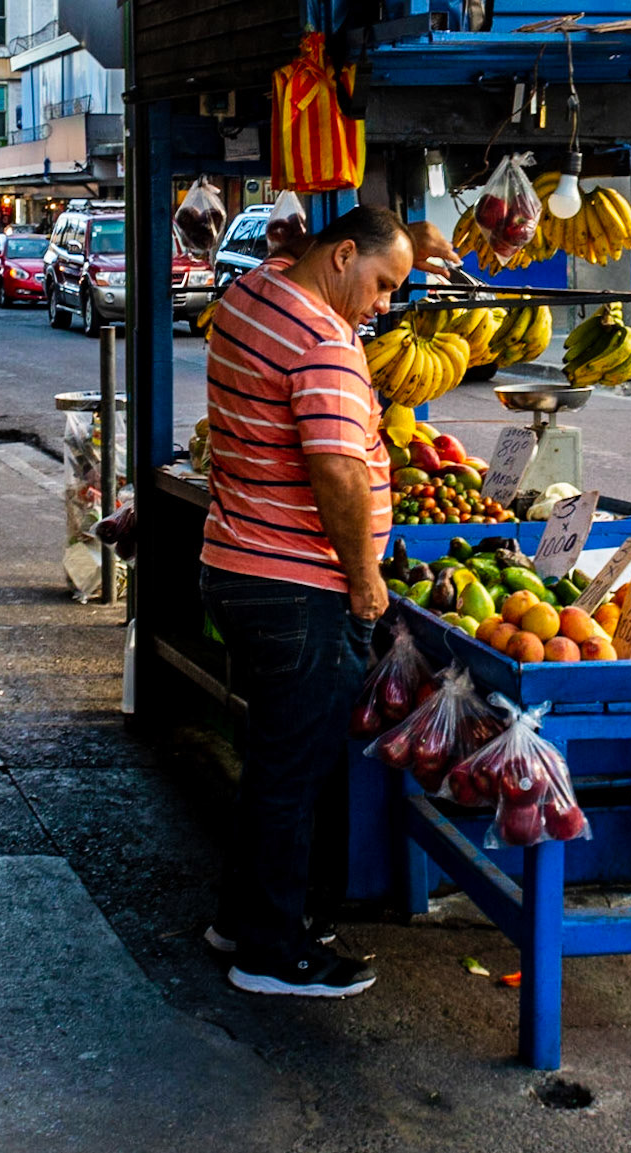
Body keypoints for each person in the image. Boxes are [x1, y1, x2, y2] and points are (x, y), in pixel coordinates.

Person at [199, 206, 450, 1001]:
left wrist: (410, 235)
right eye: (381, 284)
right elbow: (337, 470)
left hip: (239, 563)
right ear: (342, 256)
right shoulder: (323, 344)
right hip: (297, 585)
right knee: (295, 770)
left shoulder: (254, 291)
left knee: (274, 758)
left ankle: (244, 918)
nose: (382, 305)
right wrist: (365, 578)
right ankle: (272, 951)